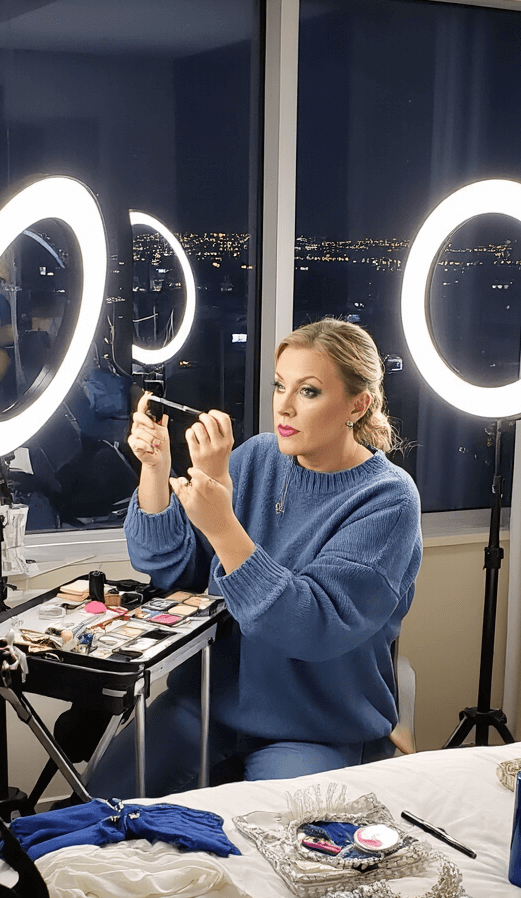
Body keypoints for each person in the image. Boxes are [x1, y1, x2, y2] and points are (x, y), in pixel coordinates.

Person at [85, 318, 422, 799]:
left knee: (274, 833)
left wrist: (223, 526)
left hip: (313, 727)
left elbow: (311, 624)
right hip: (205, 703)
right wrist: (155, 470)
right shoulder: (257, 457)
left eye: (308, 391)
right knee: (98, 805)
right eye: (280, 385)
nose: (284, 405)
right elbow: (173, 570)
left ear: (357, 404)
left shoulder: (387, 499)